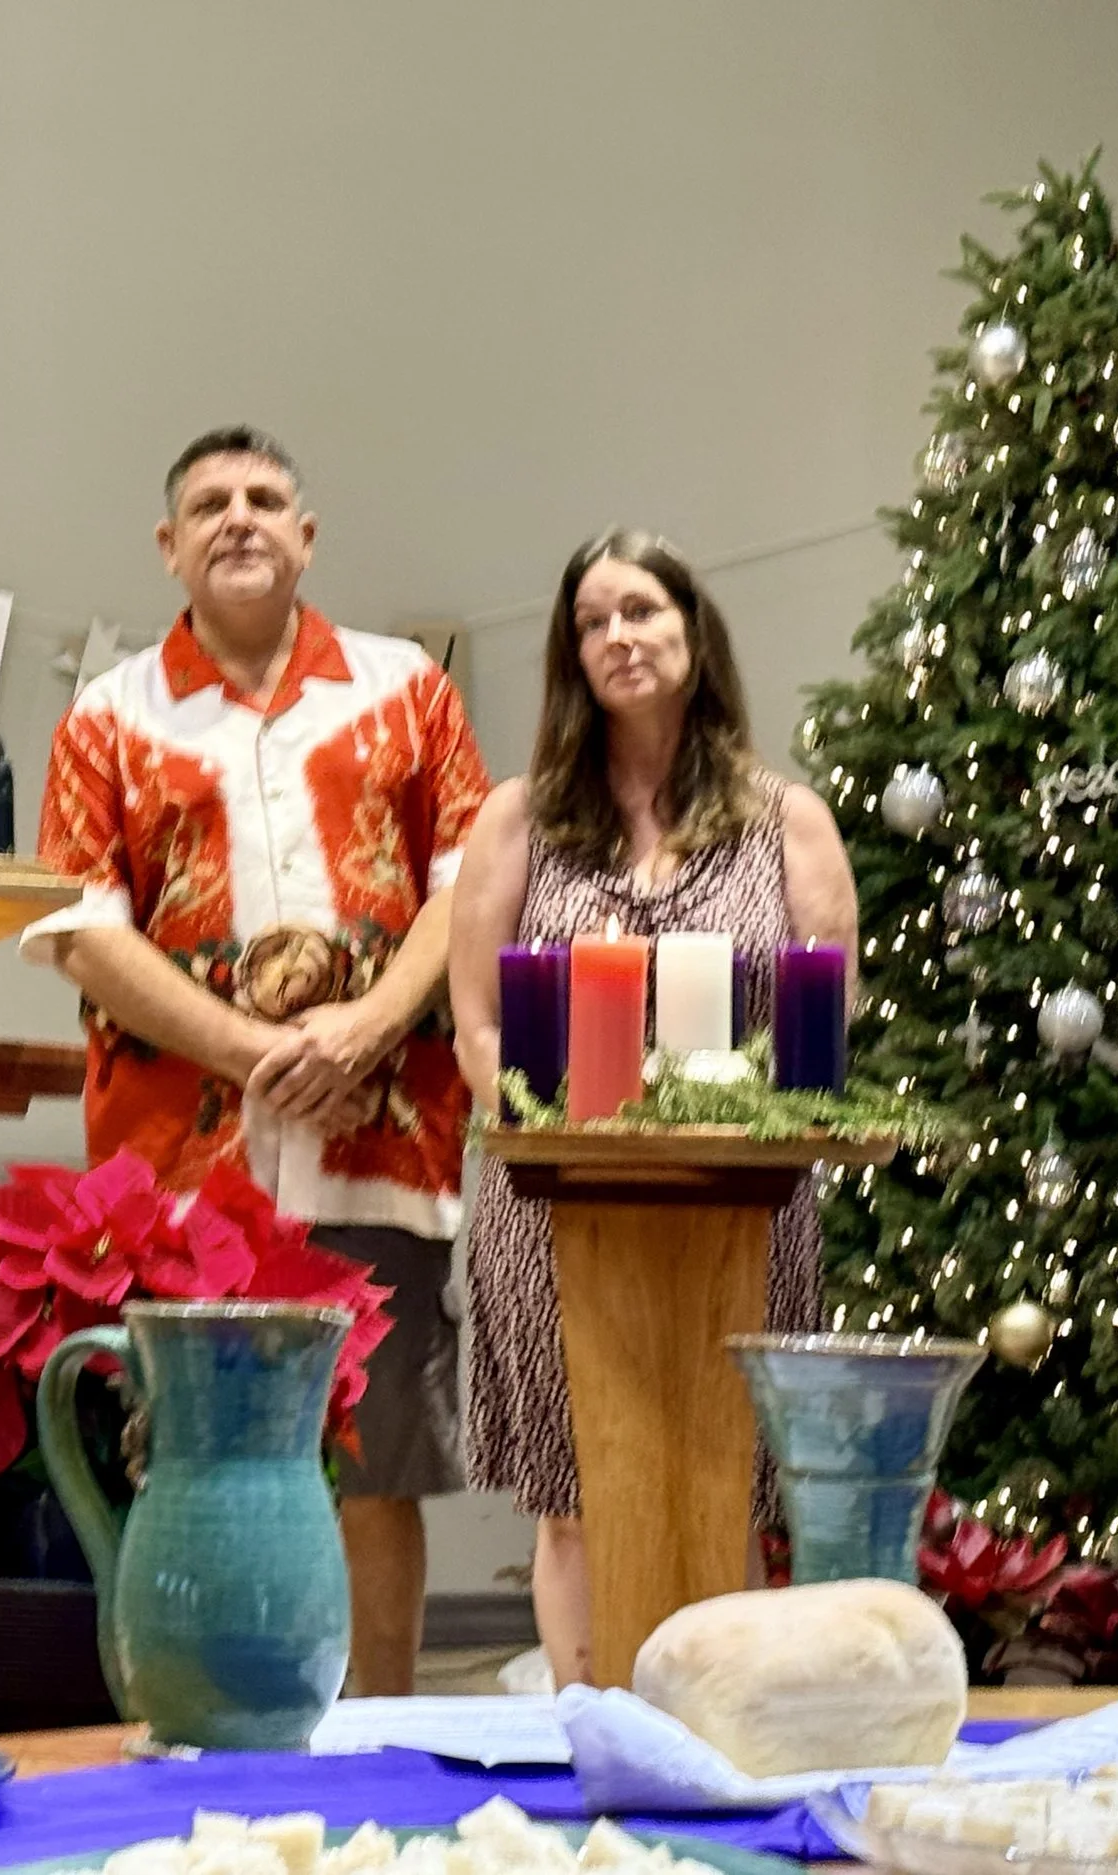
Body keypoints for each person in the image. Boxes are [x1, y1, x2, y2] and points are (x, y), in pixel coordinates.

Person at [25, 425, 491, 1695]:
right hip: (183, 1176)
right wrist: (252, 1055)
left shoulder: (407, 691)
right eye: (207, 503)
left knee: (377, 1470)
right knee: (187, 1470)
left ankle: (382, 1748)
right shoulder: (107, 717)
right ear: (167, 547)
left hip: (382, 1151)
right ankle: (192, 1734)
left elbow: (468, 889)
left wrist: (364, 1026)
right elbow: (79, 929)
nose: (239, 516)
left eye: (265, 498)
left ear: (306, 535)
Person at [445, 527, 859, 1688]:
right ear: (569, 655)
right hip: (556, 1203)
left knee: (721, 1476)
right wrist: (538, 1120)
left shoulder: (787, 820)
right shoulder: (521, 819)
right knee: (579, 1488)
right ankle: (594, 1725)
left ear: (692, 631)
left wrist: (757, 1118)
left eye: (640, 611)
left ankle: (726, 1719)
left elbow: (824, 1015)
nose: (616, 636)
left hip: (744, 1198)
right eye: (590, 621)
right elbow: (476, 1020)